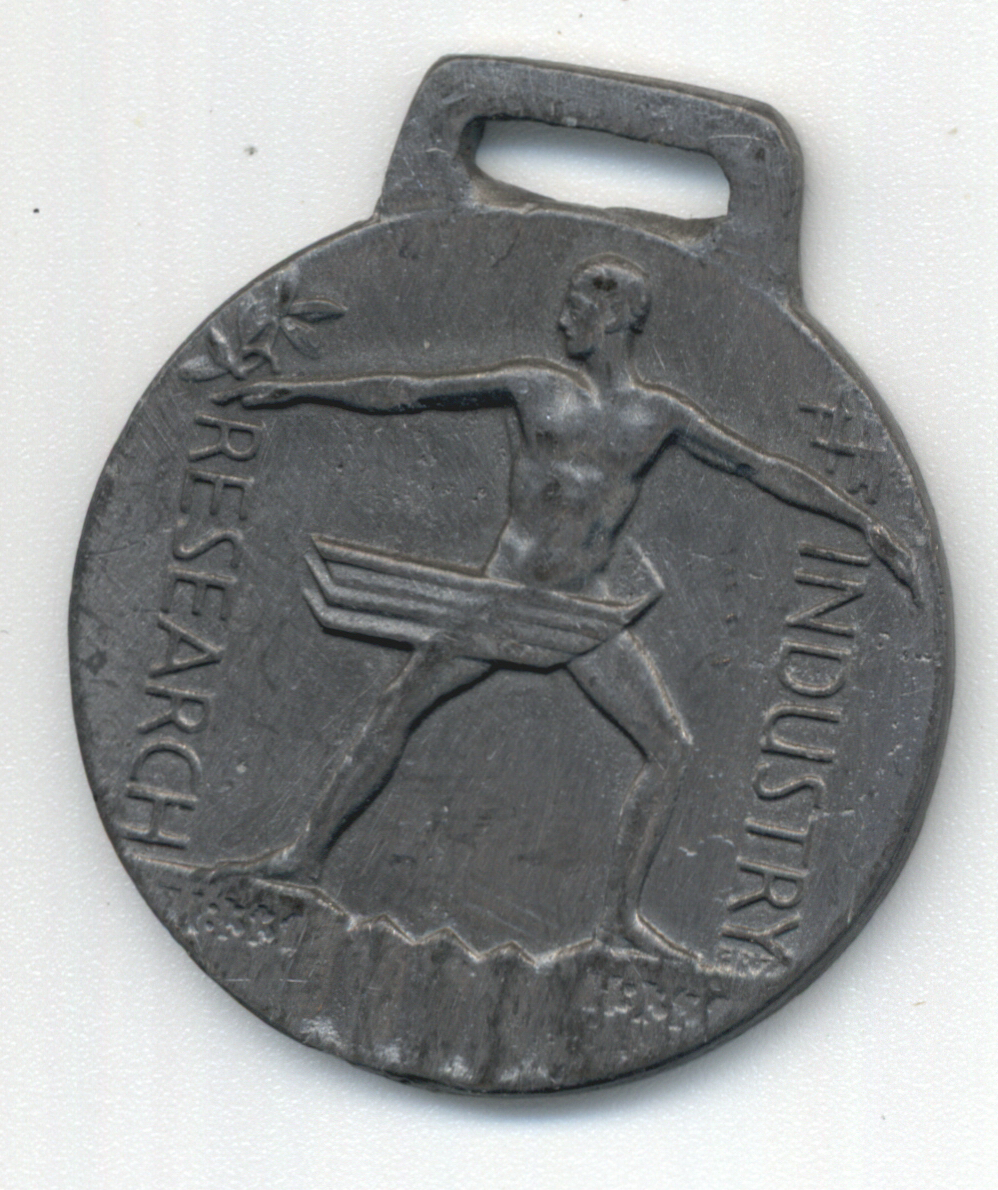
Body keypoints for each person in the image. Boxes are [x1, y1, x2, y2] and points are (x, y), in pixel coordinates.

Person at [208, 254, 915, 958]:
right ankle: (302, 858)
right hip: (504, 600)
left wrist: (863, 521)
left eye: (577, 307)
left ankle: (619, 921)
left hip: (583, 612)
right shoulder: (535, 386)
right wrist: (299, 391)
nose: (562, 318)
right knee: (399, 708)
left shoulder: (657, 416)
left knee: (670, 749)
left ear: (613, 317)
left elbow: (763, 467)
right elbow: (409, 391)